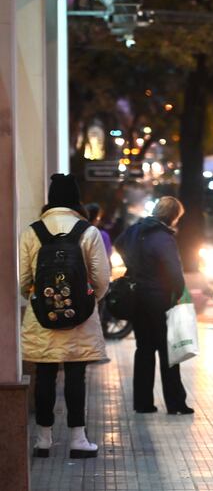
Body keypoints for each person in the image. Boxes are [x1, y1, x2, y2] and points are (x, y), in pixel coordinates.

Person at [20, 174, 110, 459]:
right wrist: (87, 300)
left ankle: (43, 440)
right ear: (75, 199)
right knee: (75, 375)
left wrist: (38, 299)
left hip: (41, 316)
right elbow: (101, 279)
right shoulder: (88, 231)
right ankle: (77, 439)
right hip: (79, 316)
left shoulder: (32, 231)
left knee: (44, 374)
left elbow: (23, 279)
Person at [114, 196, 194, 415]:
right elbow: (173, 270)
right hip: (159, 300)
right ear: (172, 216)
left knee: (144, 350)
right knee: (168, 352)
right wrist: (178, 294)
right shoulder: (163, 237)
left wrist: (133, 263)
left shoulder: (135, 230)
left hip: (138, 298)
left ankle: (143, 403)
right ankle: (175, 403)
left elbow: (118, 243)